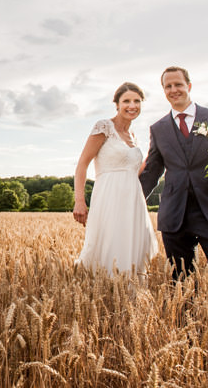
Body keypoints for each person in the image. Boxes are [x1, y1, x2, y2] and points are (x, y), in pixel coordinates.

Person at [139, 66, 208, 280]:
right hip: (174, 215)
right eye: (168, 86)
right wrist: (134, 200)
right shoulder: (158, 128)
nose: (174, 90)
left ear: (189, 86)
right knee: (180, 283)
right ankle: (185, 316)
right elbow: (152, 170)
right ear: (164, 90)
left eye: (178, 85)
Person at [73, 82, 158, 275]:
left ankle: (129, 295)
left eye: (137, 101)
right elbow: (82, 166)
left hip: (133, 200)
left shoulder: (133, 136)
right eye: (126, 101)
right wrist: (79, 201)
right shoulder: (103, 127)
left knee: (132, 248)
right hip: (108, 197)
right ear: (117, 104)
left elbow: (133, 171)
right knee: (109, 245)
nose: (132, 105)